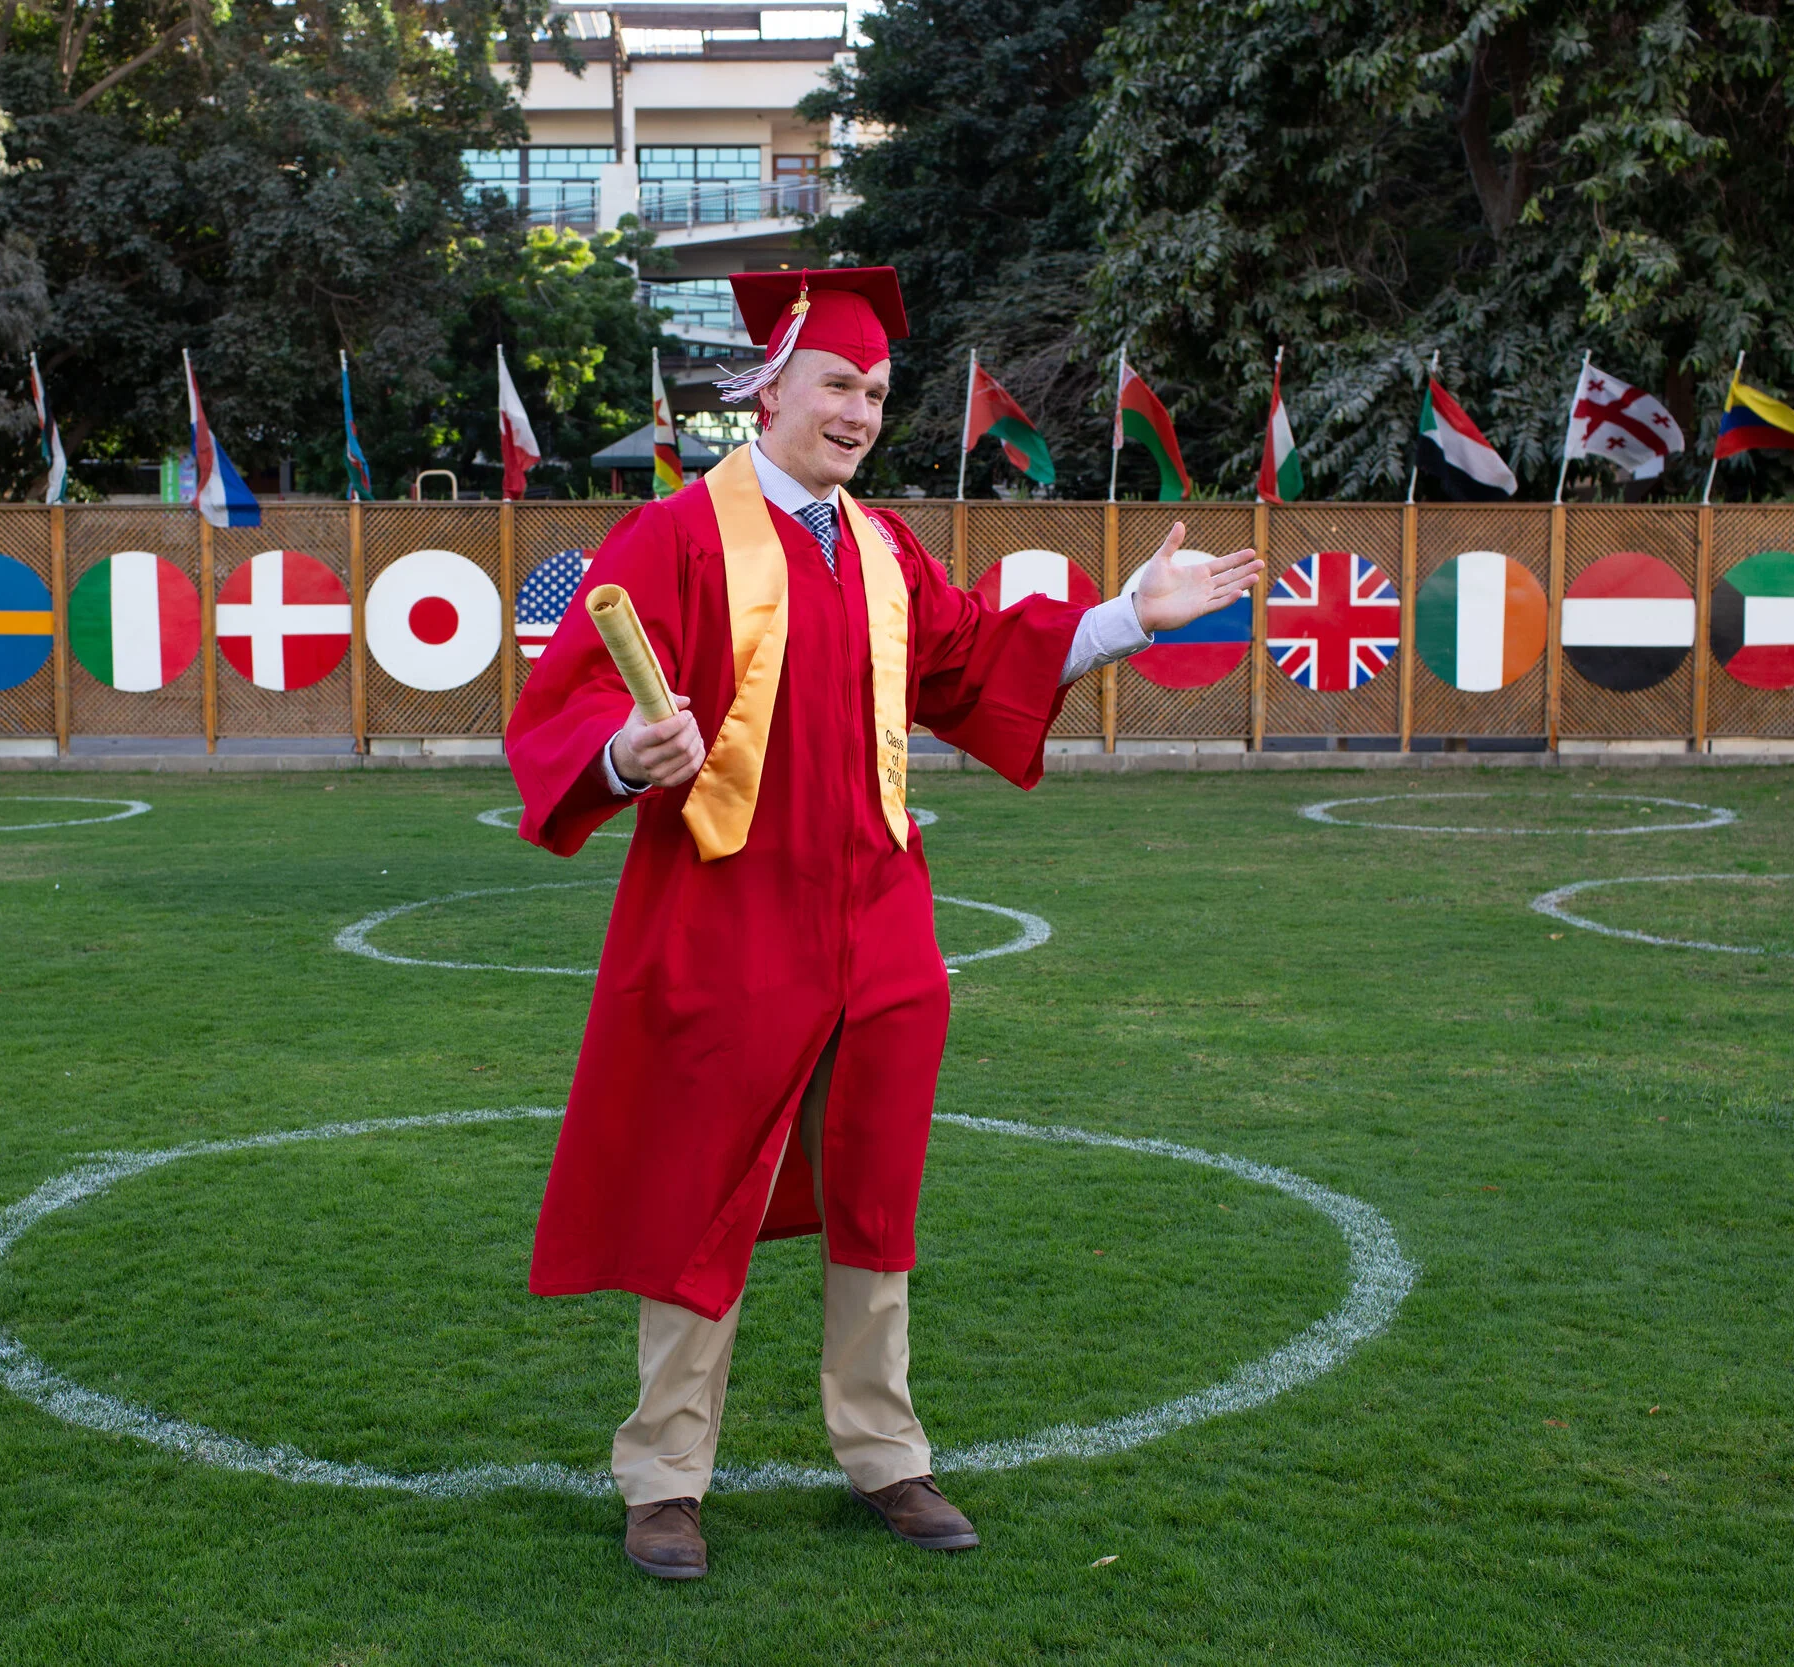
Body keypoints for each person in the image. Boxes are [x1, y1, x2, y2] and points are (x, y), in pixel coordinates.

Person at [503, 267, 1260, 1580]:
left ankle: (886, 1451)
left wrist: (1131, 618)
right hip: (728, 919)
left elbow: (974, 659)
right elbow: (565, 706)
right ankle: (666, 1475)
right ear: (772, 387)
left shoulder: (883, 547)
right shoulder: (677, 538)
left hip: (880, 925)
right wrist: (626, 754)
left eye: (875, 392)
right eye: (840, 385)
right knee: (699, 1189)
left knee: (876, 1196)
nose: (860, 411)